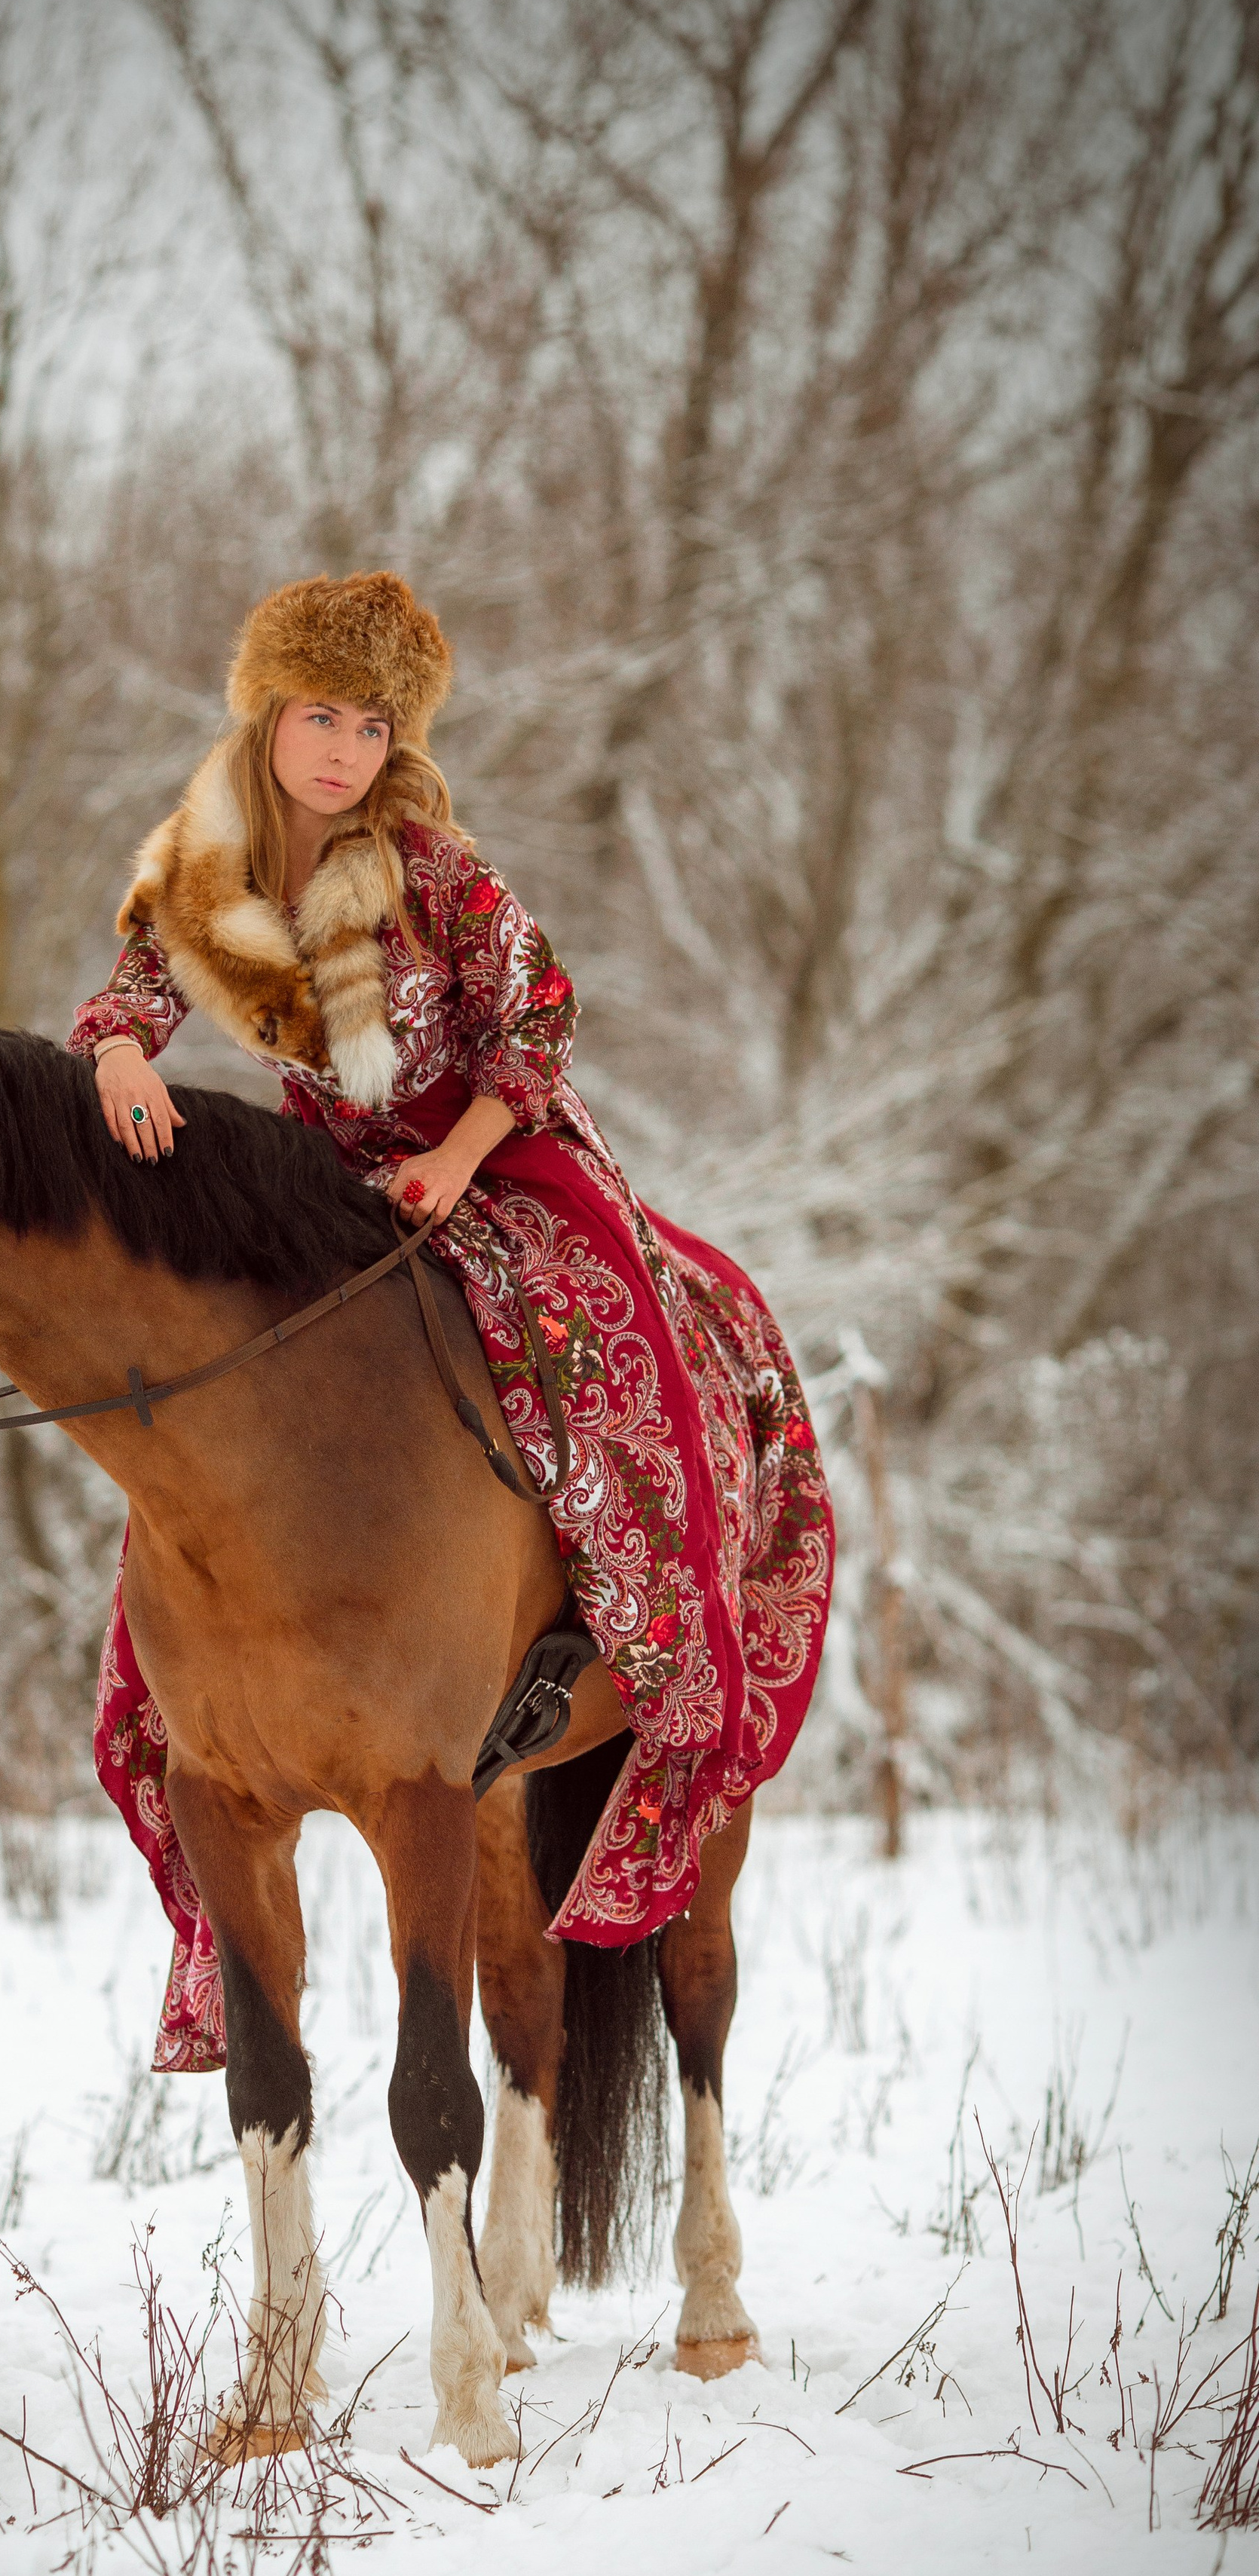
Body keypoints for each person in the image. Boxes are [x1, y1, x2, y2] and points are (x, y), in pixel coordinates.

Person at [68, 572, 832, 2072]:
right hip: (319, 1186)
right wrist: (113, 1062)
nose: (342, 747)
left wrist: (461, 1151)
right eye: (318, 716)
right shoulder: (200, 867)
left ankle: (637, 1625)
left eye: (371, 722)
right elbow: (127, 998)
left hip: (489, 1153)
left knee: (587, 1340)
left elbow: (534, 1017)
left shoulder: (430, 864)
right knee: (205, 1425)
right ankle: (186, 1695)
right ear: (267, 713)